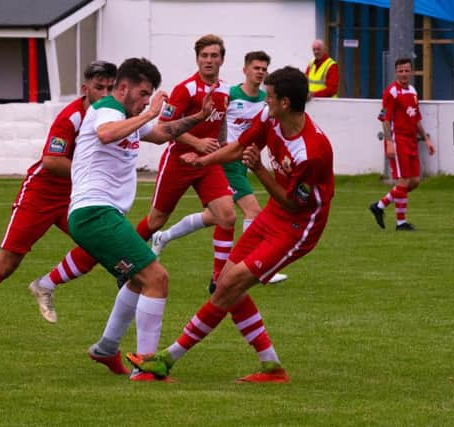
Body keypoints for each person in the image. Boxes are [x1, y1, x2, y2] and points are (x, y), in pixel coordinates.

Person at [127, 66, 335, 383]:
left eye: (270, 99)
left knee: (229, 286)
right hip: (274, 215)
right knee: (225, 283)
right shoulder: (271, 120)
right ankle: (271, 367)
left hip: (299, 226)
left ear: (286, 104)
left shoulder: (312, 151)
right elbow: (238, 148)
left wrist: (260, 170)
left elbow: (293, 203)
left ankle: (167, 359)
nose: (265, 104)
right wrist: (202, 161)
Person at [0, 61, 117, 343]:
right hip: (41, 193)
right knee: (7, 263)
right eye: (99, 88)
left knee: (101, 245)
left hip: (75, 196)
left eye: (110, 88)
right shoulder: (70, 118)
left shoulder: (111, 116)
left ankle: (45, 285)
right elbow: (51, 160)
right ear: (85, 89)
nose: (105, 93)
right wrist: (89, 170)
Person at [67, 57, 215, 381]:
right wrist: (148, 113)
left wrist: (199, 117)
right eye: (144, 93)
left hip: (101, 215)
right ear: (123, 88)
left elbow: (163, 134)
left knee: (138, 278)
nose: (147, 101)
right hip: (94, 213)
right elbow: (106, 134)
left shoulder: (131, 115)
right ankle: (145, 367)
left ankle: (106, 347)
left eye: (150, 95)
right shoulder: (108, 109)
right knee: (157, 279)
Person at [149, 50, 287, 286]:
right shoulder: (230, 94)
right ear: (244, 70)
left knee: (216, 216)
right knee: (252, 211)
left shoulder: (266, 100)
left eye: (264, 69)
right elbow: (216, 121)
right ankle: (250, 266)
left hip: (241, 162)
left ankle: (163, 237)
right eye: (256, 68)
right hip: (226, 161)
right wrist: (210, 144)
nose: (260, 73)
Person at [134, 34, 236, 288]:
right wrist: (196, 143)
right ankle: (126, 262)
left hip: (207, 164)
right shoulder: (186, 89)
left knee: (227, 216)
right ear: (197, 59)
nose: (209, 60)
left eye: (214, 56)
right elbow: (164, 126)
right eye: (204, 56)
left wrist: (220, 148)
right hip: (178, 161)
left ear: (222, 59)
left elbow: (220, 122)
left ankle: (218, 278)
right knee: (156, 221)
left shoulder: (225, 90)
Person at [369, 57, 435, 231]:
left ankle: (380, 206)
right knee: (404, 181)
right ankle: (401, 223)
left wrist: (426, 139)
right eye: (401, 71)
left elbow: (416, 118)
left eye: (407, 71)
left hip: (411, 140)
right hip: (398, 140)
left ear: (412, 72)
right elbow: (385, 119)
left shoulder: (413, 91)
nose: (404, 74)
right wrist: (389, 142)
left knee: (414, 181)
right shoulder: (391, 92)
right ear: (396, 72)